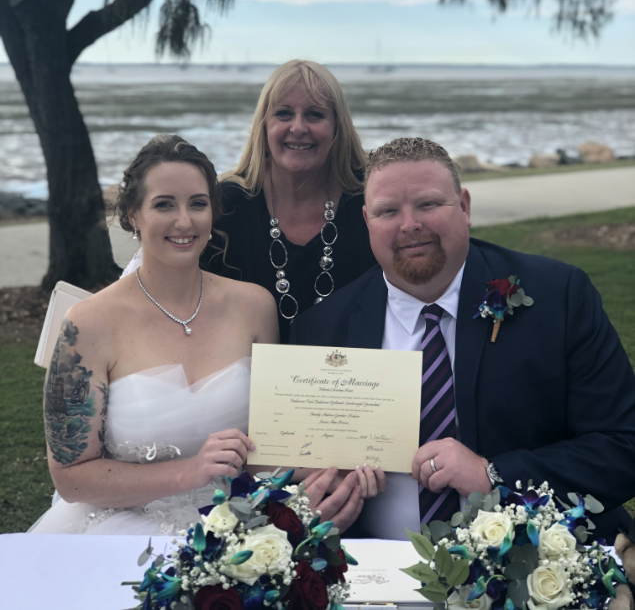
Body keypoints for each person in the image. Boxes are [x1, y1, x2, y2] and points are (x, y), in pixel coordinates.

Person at [290, 137, 635, 543]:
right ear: (367, 220)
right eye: (388, 211)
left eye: (428, 204)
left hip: (535, 559)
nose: (409, 224)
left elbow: (623, 445)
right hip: (373, 567)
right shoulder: (322, 329)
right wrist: (319, 498)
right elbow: (296, 468)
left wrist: (494, 476)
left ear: (465, 207)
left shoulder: (557, 297)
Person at [30, 135, 374, 535]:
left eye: (197, 203)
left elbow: (267, 447)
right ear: (133, 214)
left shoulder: (254, 307)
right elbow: (71, 477)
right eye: (164, 204)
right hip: (119, 531)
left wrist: (340, 464)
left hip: (235, 529)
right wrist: (189, 471)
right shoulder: (88, 324)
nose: (184, 221)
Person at [122, 60, 377, 343]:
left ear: (338, 126)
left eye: (315, 114)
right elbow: (163, 283)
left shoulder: (372, 199)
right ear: (263, 125)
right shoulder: (224, 205)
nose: (298, 127)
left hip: (359, 368)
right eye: (283, 113)